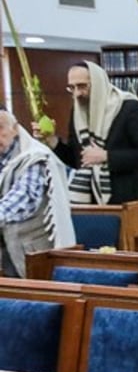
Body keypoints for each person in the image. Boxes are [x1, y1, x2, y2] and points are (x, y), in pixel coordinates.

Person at [36, 61, 138, 204]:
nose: (77, 94)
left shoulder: (129, 108)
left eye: (82, 86)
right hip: (88, 199)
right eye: (72, 87)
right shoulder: (78, 113)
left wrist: (107, 156)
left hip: (125, 200)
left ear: (98, 83)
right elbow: (77, 160)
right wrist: (52, 140)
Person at [0, 109, 75, 276]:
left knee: (39, 301)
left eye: (0, 128)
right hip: (6, 254)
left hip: (36, 254)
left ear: (15, 128)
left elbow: (24, 199)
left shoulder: (34, 157)